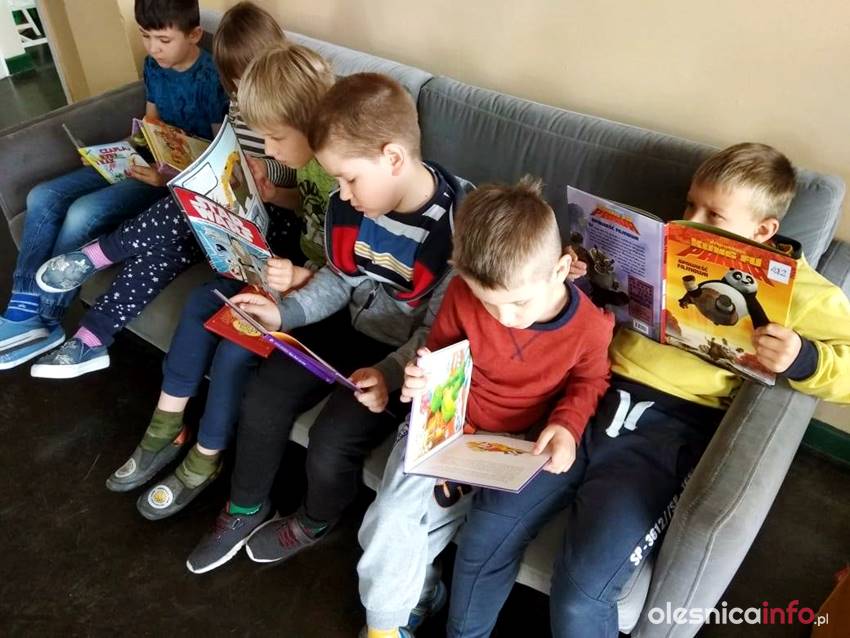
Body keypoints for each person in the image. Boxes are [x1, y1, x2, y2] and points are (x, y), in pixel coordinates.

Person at [447, 143, 850, 637]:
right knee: (486, 527)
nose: (691, 221)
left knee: (583, 588)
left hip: (670, 430)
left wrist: (804, 359)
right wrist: (576, 282)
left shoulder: (803, 293)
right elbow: (585, 322)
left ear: (764, 231)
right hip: (591, 396)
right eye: (690, 205)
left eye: (714, 215)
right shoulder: (662, 246)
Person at [183, 72, 473, 575]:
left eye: (349, 179)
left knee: (332, 441)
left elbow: (437, 334)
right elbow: (339, 278)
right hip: (346, 324)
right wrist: (285, 311)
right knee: (264, 395)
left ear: (393, 158)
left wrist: (387, 375)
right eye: (336, 179)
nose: (342, 192)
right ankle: (246, 505)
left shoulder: (459, 232)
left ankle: (316, 519)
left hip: (402, 360)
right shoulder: (351, 203)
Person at [356, 177, 614, 638]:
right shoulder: (462, 293)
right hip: (446, 424)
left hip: (509, 445)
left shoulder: (590, 328)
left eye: (518, 303)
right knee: (393, 513)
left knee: (435, 518)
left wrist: (567, 426)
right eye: (488, 302)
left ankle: (419, 594)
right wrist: (422, 377)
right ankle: (384, 625)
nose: (505, 318)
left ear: (560, 269)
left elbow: (591, 380)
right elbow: (440, 351)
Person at [101, 44, 337, 522]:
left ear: (313, 120)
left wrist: (301, 277)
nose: (269, 149)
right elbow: (304, 205)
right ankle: (165, 428)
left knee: (235, 348)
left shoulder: (347, 176)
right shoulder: (307, 161)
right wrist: (275, 194)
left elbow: (349, 276)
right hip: (287, 266)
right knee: (200, 302)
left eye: (275, 137)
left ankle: (207, 454)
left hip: (315, 291)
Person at [0, 0, 228, 370]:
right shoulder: (153, 65)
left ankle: (48, 316)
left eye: (163, 40)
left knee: (83, 211)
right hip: (141, 158)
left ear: (194, 34)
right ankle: (24, 304)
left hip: (171, 179)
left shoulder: (211, 78)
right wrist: (116, 149)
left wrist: (164, 176)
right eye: (145, 36)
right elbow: (150, 122)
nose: (153, 48)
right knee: (42, 195)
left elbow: (216, 158)